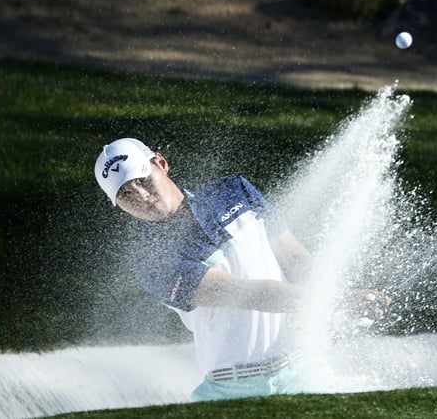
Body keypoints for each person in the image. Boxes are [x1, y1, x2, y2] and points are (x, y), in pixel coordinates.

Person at [94, 137, 391, 401]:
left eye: (143, 181)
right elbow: (246, 294)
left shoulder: (233, 190)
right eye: (127, 196)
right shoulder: (151, 262)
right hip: (232, 390)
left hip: (304, 368)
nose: (143, 197)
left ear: (161, 163)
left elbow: (295, 258)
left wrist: (340, 296)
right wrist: (334, 301)